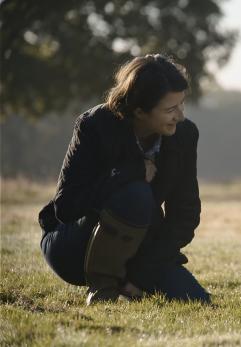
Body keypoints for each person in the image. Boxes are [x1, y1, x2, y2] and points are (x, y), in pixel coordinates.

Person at [38, 54, 210, 305]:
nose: (180, 116)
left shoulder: (184, 134)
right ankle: (103, 288)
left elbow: (185, 215)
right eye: (171, 109)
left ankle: (127, 284)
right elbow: (66, 206)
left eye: (182, 105)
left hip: (139, 246)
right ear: (139, 110)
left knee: (195, 300)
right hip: (73, 246)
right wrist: (130, 173)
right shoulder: (94, 125)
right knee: (136, 193)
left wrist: (141, 277)